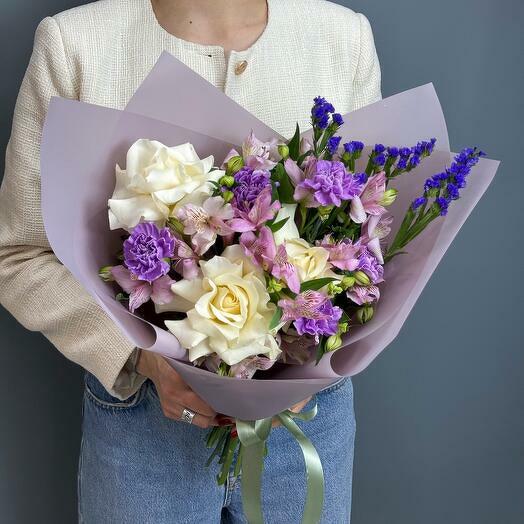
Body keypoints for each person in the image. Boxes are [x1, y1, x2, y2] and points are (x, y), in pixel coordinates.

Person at [0, 0, 381, 522]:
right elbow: (18, 253)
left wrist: (308, 363)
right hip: (143, 426)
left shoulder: (343, 39)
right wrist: (140, 356)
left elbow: (369, 241)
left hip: (304, 425)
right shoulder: (75, 45)